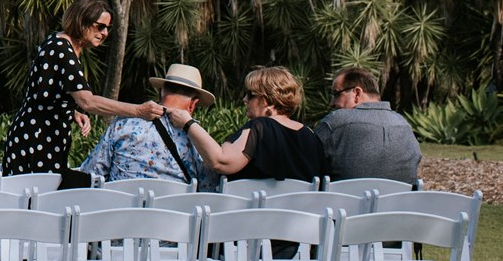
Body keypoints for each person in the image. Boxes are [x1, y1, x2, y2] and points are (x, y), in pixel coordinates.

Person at [2, 0, 165, 186]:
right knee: (40, 205)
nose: (105, 33)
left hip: (38, 139)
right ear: (82, 21)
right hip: (36, 141)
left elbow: (45, 93)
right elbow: (88, 101)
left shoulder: (59, 44)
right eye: (100, 26)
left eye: (107, 28)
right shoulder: (62, 49)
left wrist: (71, 112)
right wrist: (138, 111)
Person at [169, 64, 329, 184]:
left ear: (269, 101)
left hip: (256, 223)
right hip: (303, 223)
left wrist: (188, 123)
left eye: (251, 95)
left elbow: (221, 162)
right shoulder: (310, 135)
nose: (244, 99)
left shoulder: (260, 128)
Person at [81, 62, 216, 188]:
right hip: (172, 212)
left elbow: (92, 173)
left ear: (160, 92)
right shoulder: (199, 140)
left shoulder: (122, 124)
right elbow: (207, 188)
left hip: (121, 211)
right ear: (193, 104)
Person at [314, 66, 423, 184]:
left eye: (336, 94)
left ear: (357, 93)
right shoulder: (405, 126)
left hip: (347, 201)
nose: (332, 103)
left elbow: (309, 165)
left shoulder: (335, 123)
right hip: (397, 202)